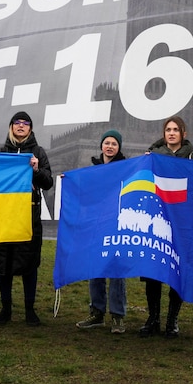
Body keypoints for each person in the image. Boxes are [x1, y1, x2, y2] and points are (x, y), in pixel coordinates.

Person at [139, 116, 193, 338]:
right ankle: (153, 318)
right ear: (164, 133)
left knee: (178, 270)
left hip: (182, 223)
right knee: (153, 271)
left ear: (183, 133)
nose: (172, 133)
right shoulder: (152, 157)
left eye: (176, 129)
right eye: (168, 130)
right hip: (157, 221)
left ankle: (172, 320)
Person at [0, 111, 53, 326]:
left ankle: (29, 310)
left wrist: (35, 170)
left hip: (29, 215)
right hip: (5, 215)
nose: (21, 126)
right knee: (3, 262)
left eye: (26, 123)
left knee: (29, 263)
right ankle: (5, 309)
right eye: (17, 122)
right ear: (11, 126)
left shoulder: (38, 152)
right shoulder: (1, 152)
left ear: (30, 129)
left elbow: (47, 182)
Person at [76, 130, 128, 333]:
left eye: (114, 143)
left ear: (119, 148)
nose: (110, 146)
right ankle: (97, 312)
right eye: (107, 142)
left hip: (117, 225)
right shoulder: (93, 170)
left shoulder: (126, 168)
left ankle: (117, 316)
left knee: (116, 271)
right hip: (97, 226)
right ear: (101, 146)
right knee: (95, 269)